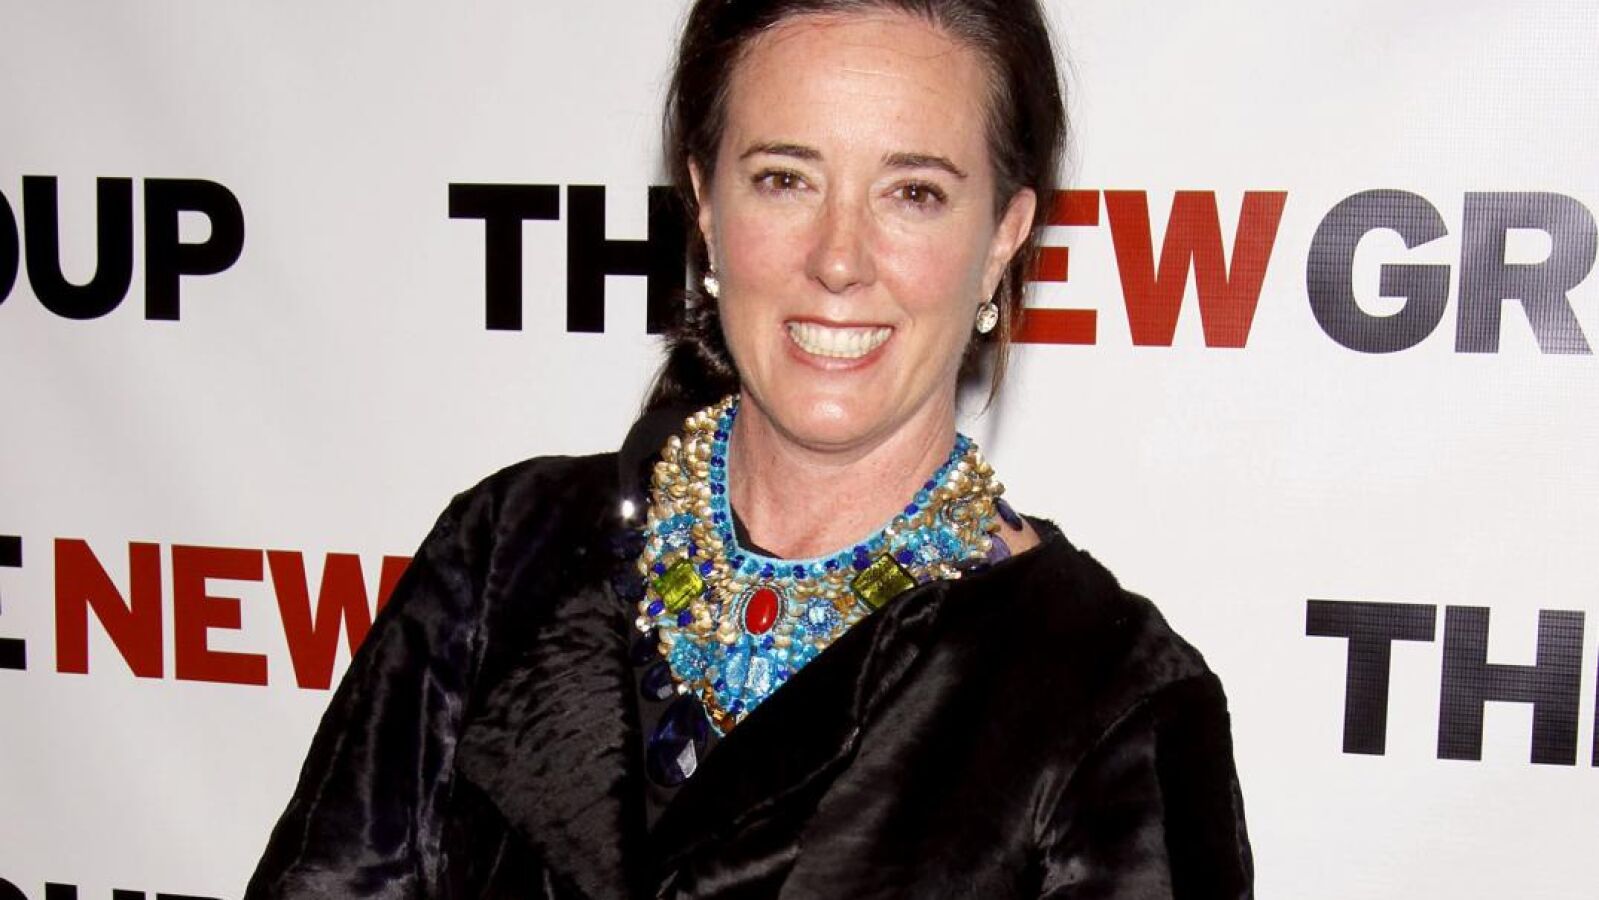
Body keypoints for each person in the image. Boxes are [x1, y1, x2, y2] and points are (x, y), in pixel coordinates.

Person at [246, 0, 1253, 897]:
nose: (838, 259)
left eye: (913, 193)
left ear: (1002, 234)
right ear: (705, 202)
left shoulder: (1110, 701)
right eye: (784, 179)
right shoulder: (509, 552)